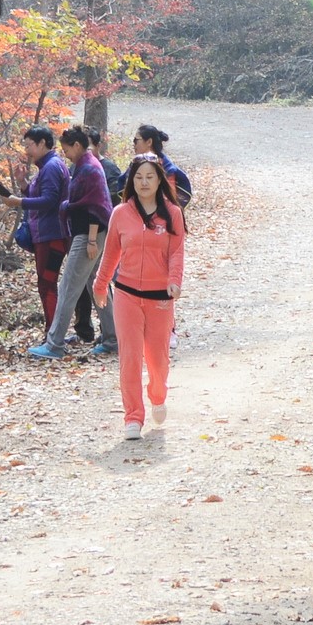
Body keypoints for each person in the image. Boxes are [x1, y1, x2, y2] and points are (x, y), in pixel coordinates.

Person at [106, 156, 189, 442]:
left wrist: (174, 281)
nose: (144, 182)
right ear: (132, 180)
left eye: (149, 177)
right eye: (138, 177)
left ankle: (158, 396)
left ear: (159, 181)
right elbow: (111, 253)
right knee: (129, 357)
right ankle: (132, 417)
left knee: (157, 359)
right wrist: (100, 283)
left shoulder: (173, 213)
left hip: (160, 298)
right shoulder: (120, 213)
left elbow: (176, 251)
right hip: (127, 294)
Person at [0, 126, 74, 355]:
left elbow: (49, 201)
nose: (26, 151)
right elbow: (41, 196)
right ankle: (54, 333)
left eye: (29, 145)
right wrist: (24, 186)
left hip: (53, 235)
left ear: (43, 143)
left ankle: (53, 337)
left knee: (47, 285)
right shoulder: (45, 167)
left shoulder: (52, 167)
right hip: (45, 235)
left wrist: (19, 201)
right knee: (46, 284)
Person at [48, 124, 117, 357]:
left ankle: (54, 343)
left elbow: (95, 207)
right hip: (88, 233)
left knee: (68, 286)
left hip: (89, 234)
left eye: (66, 149)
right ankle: (113, 337)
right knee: (97, 284)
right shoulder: (82, 165)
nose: (64, 153)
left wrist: (90, 241)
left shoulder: (89, 168)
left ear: (77, 145)